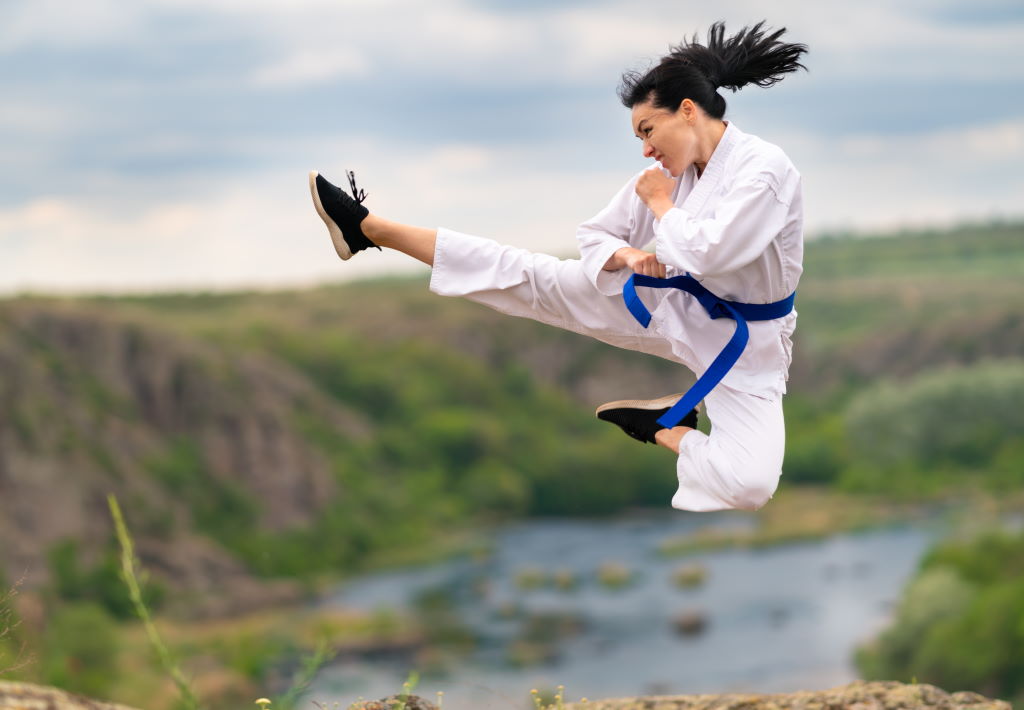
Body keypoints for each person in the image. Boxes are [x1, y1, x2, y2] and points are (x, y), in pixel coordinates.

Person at [308, 21, 808, 513]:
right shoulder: (666, 176)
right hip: (667, 303)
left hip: (746, 343)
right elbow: (595, 234)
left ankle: (665, 429)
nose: (646, 149)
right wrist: (630, 256)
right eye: (640, 138)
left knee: (750, 486)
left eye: (648, 131)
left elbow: (712, 252)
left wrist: (659, 206)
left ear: (687, 111)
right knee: (527, 277)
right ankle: (369, 228)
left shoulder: (764, 171)